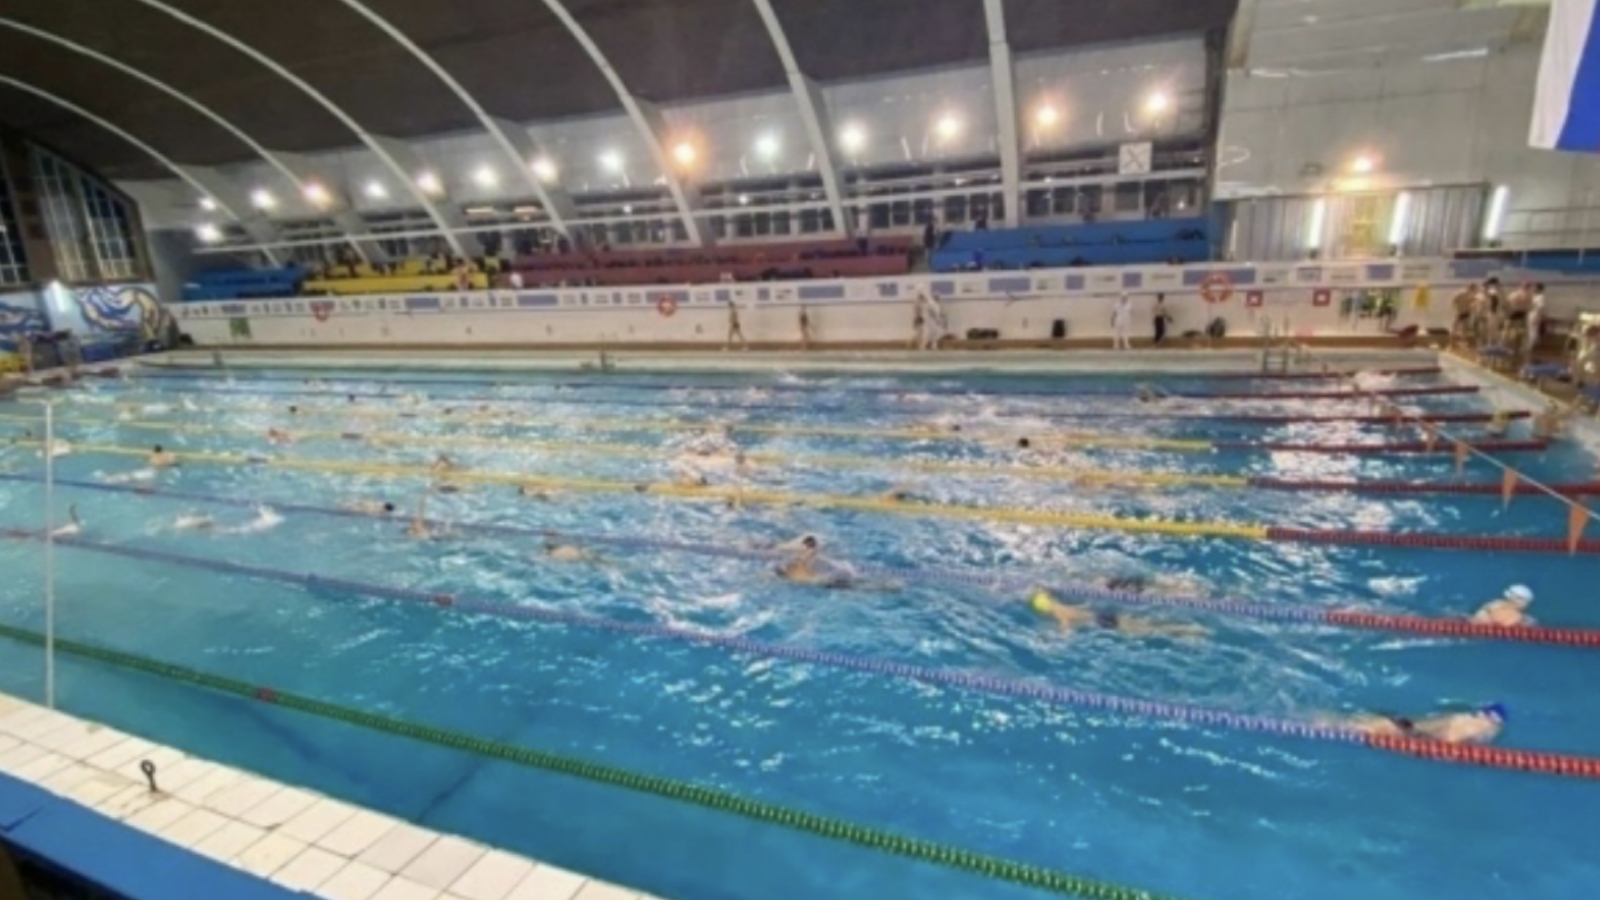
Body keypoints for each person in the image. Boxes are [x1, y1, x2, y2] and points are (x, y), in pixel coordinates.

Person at [1027, 590, 1208, 639]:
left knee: (1149, 630)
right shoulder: (1062, 605)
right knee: (1145, 625)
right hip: (1102, 615)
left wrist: (1061, 635)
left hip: (1103, 622)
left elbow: (1067, 629)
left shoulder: (1060, 615)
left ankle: (1188, 630)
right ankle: (1186, 630)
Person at [1336, 704, 1507, 745]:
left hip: (1414, 730)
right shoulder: (1471, 723)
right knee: (1357, 727)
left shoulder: (1465, 719)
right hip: (1411, 731)